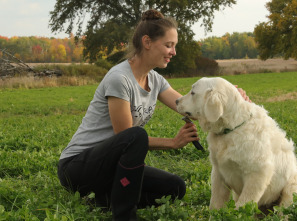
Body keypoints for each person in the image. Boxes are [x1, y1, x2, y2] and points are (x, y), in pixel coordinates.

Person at [57, 9, 250, 221]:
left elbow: (189, 108)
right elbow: (125, 136)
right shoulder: (119, 79)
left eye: (174, 46)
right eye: (169, 45)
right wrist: (173, 142)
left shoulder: (156, 81)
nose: (173, 52)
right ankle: (124, 215)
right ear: (147, 42)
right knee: (135, 135)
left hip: (112, 169)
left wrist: (229, 98)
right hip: (77, 167)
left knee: (175, 188)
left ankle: (103, 198)